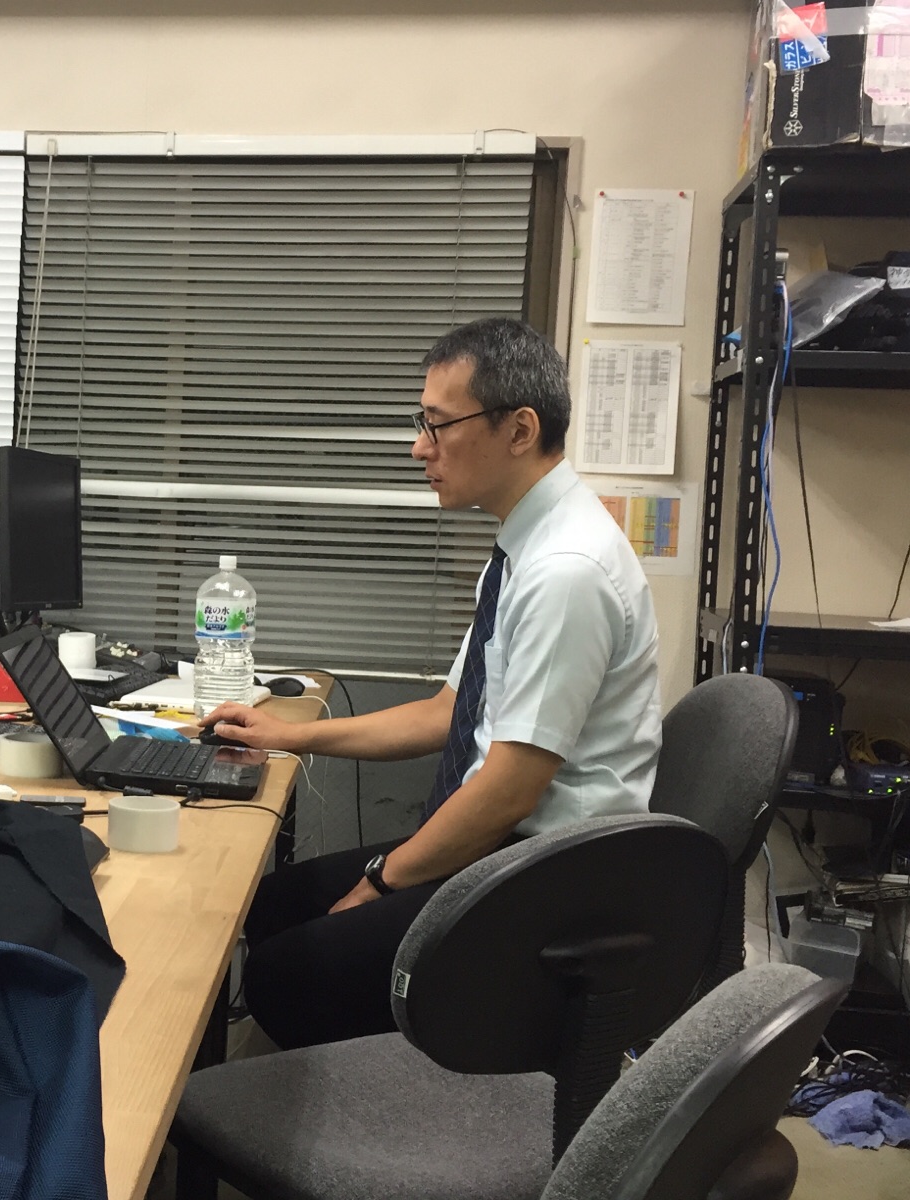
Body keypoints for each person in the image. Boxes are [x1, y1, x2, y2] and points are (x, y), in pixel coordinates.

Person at [201, 317, 662, 1051]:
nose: (420, 447)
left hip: (545, 876)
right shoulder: (526, 548)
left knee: (285, 976)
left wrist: (381, 883)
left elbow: (508, 790)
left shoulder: (566, 572)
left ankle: (393, 1104)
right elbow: (451, 712)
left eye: (438, 425)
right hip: (507, 841)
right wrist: (292, 736)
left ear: (519, 430)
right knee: (272, 904)